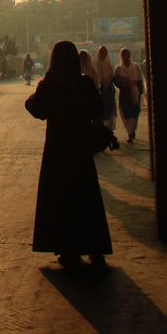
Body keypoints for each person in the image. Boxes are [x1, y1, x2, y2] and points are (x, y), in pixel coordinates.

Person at [25, 40, 113, 268]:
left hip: (58, 151)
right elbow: (98, 109)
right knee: (86, 197)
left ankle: (67, 248)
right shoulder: (84, 84)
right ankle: (95, 248)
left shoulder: (52, 85)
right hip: (81, 150)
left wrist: (46, 84)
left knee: (61, 199)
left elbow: (34, 108)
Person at [113, 48, 145, 143]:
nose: (126, 57)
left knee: (135, 114)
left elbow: (140, 80)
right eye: (124, 55)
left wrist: (135, 84)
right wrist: (125, 82)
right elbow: (115, 81)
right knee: (126, 114)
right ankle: (130, 133)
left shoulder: (136, 66)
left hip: (135, 94)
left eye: (127, 55)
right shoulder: (118, 68)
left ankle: (133, 131)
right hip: (125, 95)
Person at [93, 46, 117, 131]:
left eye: (104, 52)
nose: (103, 54)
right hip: (99, 91)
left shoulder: (109, 64)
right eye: (101, 52)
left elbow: (112, 76)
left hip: (108, 91)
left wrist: (108, 81)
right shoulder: (94, 64)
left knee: (110, 110)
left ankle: (109, 129)